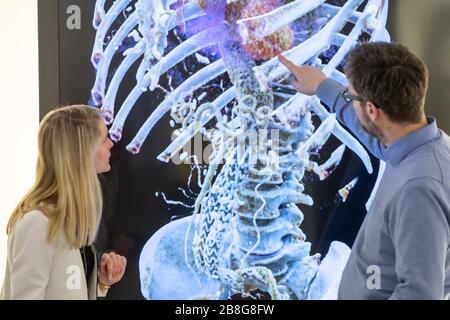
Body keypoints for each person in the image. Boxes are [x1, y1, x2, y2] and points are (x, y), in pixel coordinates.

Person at [279, 42, 450, 299]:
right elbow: (375, 135)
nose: (350, 98)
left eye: (353, 95)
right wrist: (322, 87)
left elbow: (420, 293)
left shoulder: (420, 189)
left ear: (372, 110)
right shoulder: (414, 143)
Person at [1, 105, 127, 299]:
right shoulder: (38, 223)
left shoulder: (71, 221)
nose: (111, 144)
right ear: (82, 150)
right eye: (103, 139)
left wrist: (101, 282)